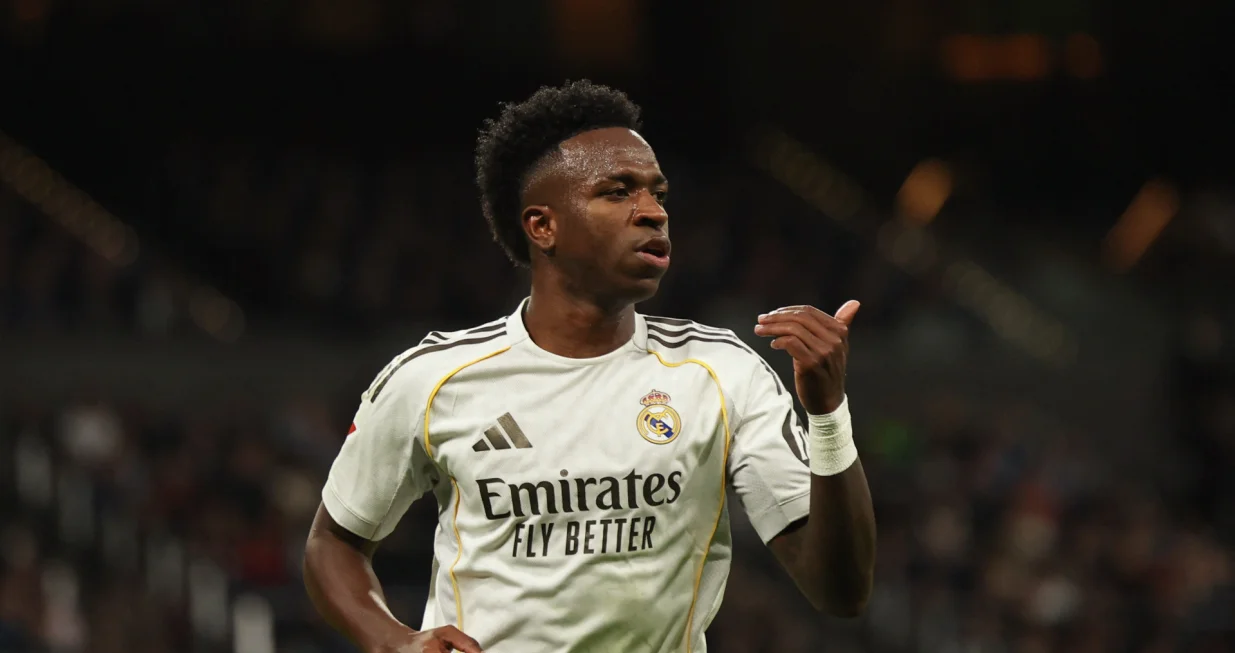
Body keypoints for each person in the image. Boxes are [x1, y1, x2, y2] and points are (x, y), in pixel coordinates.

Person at [303, 80, 876, 653]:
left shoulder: (721, 372)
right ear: (542, 226)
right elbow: (334, 542)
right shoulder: (433, 379)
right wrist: (392, 641)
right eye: (618, 191)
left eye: (658, 193)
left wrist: (827, 414)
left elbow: (840, 592)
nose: (652, 212)